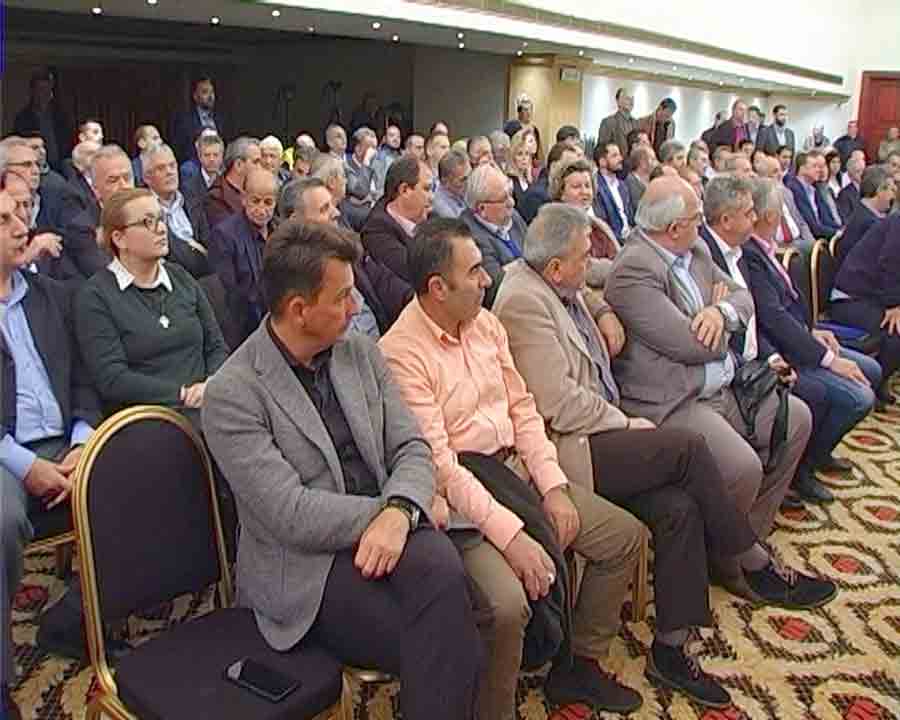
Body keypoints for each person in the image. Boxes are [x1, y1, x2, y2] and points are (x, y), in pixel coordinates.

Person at [493, 202, 837, 709]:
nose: (591, 263)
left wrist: (604, 310)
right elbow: (559, 404)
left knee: (679, 507)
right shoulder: (524, 302)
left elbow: (603, 277)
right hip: (570, 446)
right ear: (556, 267)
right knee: (688, 449)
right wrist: (623, 421)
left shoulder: (559, 279)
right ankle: (750, 558)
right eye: (584, 257)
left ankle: (670, 647)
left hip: (597, 430)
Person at [201, 221, 482, 720]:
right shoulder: (234, 393)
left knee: (443, 587)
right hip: (306, 568)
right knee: (447, 632)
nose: (357, 308)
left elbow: (412, 447)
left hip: (392, 531)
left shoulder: (359, 352)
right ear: (299, 310)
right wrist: (391, 513)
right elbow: (290, 513)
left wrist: (401, 510)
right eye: (343, 298)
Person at [380, 217, 646, 718]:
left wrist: (554, 487)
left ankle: (578, 666)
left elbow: (524, 411)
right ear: (438, 288)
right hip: (463, 503)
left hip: (516, 475)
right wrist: (512, 536)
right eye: (475, 271)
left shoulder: (485, 324)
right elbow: (441, 466)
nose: (488, 279)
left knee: (622, 537)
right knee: (506, 605)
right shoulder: (400, 353)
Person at [604, 176, 816, 595]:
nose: (703, 224)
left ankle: (743, 543)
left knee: (797, 419)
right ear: (673, 228)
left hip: (722, 385)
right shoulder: (633, 271)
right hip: (672, 400)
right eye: (696, 217)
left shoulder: (695, 248)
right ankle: (732, 564)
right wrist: (721, 315)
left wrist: (720, 312)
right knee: (742, 467)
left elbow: (744, 298)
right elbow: (691, 344)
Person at [1, 188, 103, 720]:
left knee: (137, 475)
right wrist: (25, 465)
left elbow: (84, 377)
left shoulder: (52, 296)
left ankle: (77, 620)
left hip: (66, 439)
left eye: (21, 214)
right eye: (4, 220)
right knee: (1, 519)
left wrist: (84, 439)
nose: (22, 227)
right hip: (5, 452)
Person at [740, 177, 880, 504]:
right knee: (859, 397)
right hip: (784, 352)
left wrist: (812, 330)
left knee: (871, 370)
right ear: (771, 216)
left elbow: (789, 308)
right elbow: (773, 319)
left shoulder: (766, 249)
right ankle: (801, 468)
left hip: (800, 339)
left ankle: (816, 453)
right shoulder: (750, 254)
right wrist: (828, 359)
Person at [75, 188, 226, 413]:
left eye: (161, 219)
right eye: (148, 222)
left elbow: (216, 346)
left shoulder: (181, 277)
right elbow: (113, 378)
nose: (162, 228)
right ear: (119, 239)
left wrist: (211, 384)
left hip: (209, 404)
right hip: (149, 418)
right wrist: (181, 394)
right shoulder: (96, 296)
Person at [832, 213, 900, 403]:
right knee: (895, 332)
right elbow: (890, 263)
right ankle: (873, 384)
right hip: (849, 299)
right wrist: (894, 304)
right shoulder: (898, 222)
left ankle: (880, 380)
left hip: (872, 298)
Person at [208, 169, 278, 348]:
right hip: (244, 330)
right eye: (255, 201)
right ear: (243, 198)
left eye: (268, 202)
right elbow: (227, 296)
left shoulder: (280, 230)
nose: (261, 209)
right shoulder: (224, 235)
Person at [360, 157, 432, 299]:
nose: (431, 197)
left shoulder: (430, 216)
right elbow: (416, 274)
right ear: (404, 190)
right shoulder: (377, 232)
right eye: (427, 189)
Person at [460, 163, 527, 307]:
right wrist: (527, 266)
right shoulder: (469, 237)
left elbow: (536, 252)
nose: (512, 203)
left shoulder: (513, 216)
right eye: (503, 199)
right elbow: (498, 286)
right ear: (482, 209)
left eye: (510, 194)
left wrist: (514, 268)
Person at [143, 144, 211, 278]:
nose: (170, 172)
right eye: (161, 168)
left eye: (172, 165)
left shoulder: (192, 197)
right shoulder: (143, 210)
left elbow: (209, 240)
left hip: (207, 276)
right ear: (147, 178)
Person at [551, 158, 619, 262]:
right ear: (561, 193)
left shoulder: (599, 226)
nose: (584, 192)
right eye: (576, 187)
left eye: (587, 186)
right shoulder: (555, 228)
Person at [12, 69, 73, 172]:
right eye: (40, 89)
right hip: (35, 166)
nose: (44, 94)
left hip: (61, 166)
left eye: (47, 90)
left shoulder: (60, 115)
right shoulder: (23, 118)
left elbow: (67, 140)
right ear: (33, 91)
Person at [836, 166, 896, 266]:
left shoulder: (861, 212)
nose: (893, 196)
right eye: (892, 190)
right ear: (879, 190)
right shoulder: (870, 224)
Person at [756, 155, 815, 249]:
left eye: (780, 170)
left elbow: (801, 222)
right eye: (775, 171)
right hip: (780, 247)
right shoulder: (760, 199)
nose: (780, 174)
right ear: (763, 176)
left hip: (799, 241)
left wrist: (812, 243)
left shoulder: (786, 192)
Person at [518, 142, 583, 224]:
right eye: (569, 167)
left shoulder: (571, 192)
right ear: (554, 166)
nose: (575, 171)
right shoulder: (538, 197)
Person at [206, 136, 261, 230]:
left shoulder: (256, 190)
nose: (260, 168)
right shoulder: (216, 198)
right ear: (238, 165)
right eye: (255, 162)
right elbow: (227, 234)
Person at [170, 75, 227, 164]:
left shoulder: (219, 119)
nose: (210, 96)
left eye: (212, 92)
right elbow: (179, 150)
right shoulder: (184, 120)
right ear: (195, 97)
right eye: (205, 92)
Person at [785, 151, 841, 239]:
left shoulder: (815, 189)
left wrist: (840, 230)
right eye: (814, 166)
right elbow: (812, 225)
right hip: (810, 238)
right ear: (802, 169)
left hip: (824, 234)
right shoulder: (794, 188)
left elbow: (826, 219)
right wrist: (836, 233)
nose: (818, 170)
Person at [592, 142, 634, 244]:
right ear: (602, 162)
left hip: (630, 239)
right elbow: (603, 224)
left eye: (619, 155)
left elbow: (630, 217)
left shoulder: (622, 185)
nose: (620, 159)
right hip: (613, 242)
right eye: (614, 155)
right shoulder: (596, 187)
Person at [180, 131, 225, 203]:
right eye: (207, 155)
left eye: (216, 155)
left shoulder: (227, 181)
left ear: (222, 157)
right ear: (199, 157)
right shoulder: (189, 186)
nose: (211, 159)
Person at [597, 88, 638, 158]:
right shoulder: (608, 122)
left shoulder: (636, 123)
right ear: (618, 101)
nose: (631, 101)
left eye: (632, 98)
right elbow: (601, 150)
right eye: (627, 98)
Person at [431, 149, 471, 220]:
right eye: (463, 179)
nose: (469, 182)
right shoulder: (440, 206)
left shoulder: (461, 193)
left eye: (470, 176)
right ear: (445, 181)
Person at [371, 124, 403, 199]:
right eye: (392, 135)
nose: (396, 139)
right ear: (384, 138)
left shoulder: (403, 156)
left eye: (398, 136)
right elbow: (378, 182)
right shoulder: (378, 156)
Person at [508, 128, 534, 209]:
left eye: (527, 154)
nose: (524, 158)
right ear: (513, 156)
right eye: (519, 154)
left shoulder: (529, 179)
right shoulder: (509, 181)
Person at [626, 144, 657, 208]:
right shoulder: (630, 182)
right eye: (653, 159)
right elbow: (637, 206)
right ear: (642, 162)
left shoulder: (653, 180)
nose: (656, 163)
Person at [837, 154, 866, 222]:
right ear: (850, 174)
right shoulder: (844, 194)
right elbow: (846, 219)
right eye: (858, 171)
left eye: (863, 170)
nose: (862, 174)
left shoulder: (869, 189)